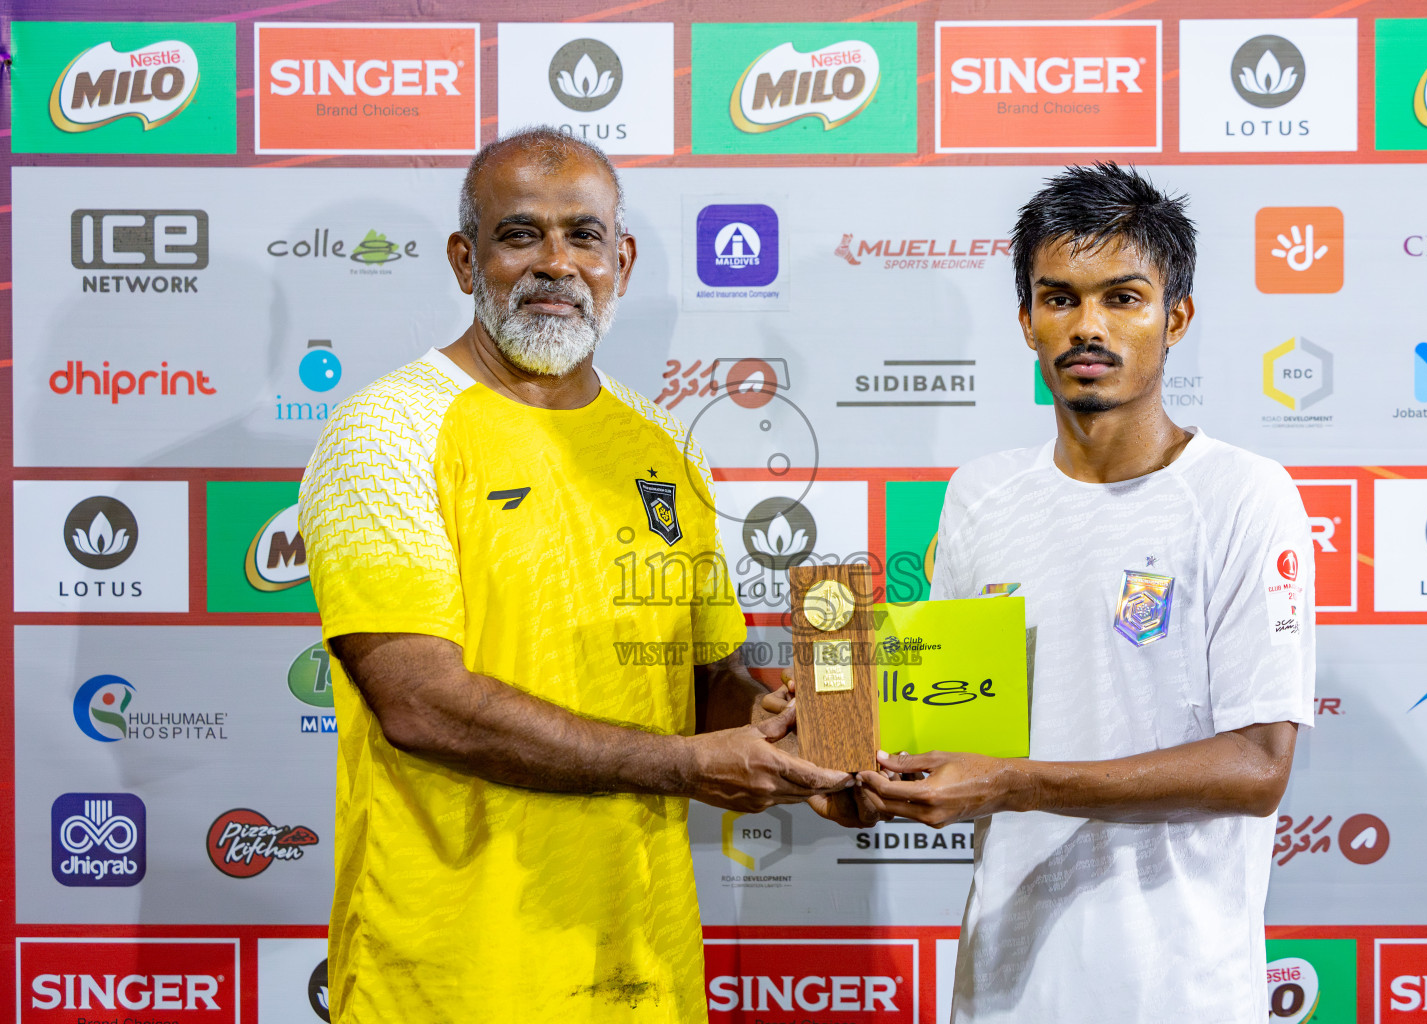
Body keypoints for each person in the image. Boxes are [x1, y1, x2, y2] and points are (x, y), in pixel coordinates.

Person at [296, 127, 851, 1023]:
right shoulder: (385, 432)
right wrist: (682, 765)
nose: (556, 263)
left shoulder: (664, 443)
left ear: (620, 262)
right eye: (520, 235)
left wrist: (805, 742)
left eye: (583, 236)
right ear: (463, 258)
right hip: (451, 974)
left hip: (642, 958)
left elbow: (703, 685)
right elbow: (419, 703)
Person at [855, 163, 1315, 1021]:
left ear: (1175, 316)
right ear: (1027, 320)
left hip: (1178, 993)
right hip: (1002, 988)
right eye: (1059, 298)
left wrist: (1015, 783)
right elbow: (945, 726)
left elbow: (1257, 767)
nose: (1087, 327)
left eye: (1123, 298)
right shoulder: (979, 495)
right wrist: (840, 748)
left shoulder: (1245, 495)